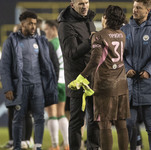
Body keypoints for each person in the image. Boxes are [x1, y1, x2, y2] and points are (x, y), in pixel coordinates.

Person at [68, 5, 130, 150]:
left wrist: (80, 77)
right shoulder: (122, 34)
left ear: (106, 18)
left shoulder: (99, 35)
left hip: (105, 85)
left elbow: (95, 61)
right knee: (121, 124)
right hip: (121, 83)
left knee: (104, 124)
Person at [0, 11, 58, 150]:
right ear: (22, 24)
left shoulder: (41, 41)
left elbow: (48, 65)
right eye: (30, 23)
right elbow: (5, 66)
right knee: (18, 118)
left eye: (35, 23)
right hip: (21, 86)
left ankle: (37, 146)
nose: (33, 26)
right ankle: (17, 146)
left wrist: (49, 86)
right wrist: (8, 87)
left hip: (37, 86)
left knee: (39, 118)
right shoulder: (12, 41)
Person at [121, 0, 151, 149]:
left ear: (147, 10)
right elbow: (120, 55)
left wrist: (148, 71)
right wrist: (127, 68)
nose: (135, 10)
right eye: (134, 7)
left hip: (149, 85)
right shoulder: (125, 30)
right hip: (130, 86)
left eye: (139, 8)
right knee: (128, 123)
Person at [57, 0, 100, 149]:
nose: (85, 6)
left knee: (95, 119)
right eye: (81, 3)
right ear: (72, 4)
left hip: (93, 77)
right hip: (77, 79)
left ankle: (93, 147)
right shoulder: (65, 25)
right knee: (77, 120)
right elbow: (71, 53)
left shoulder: (89, 19)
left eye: (87, 2)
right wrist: (90, 41)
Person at [44, 20, 69, 150]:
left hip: (52, 82)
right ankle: (67, 144)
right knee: (62, 113)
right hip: (64, 81)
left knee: (52, 114)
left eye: (46, 29)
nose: (45, 32)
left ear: (54, 29)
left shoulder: (50, 44)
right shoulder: (64, 43)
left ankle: (55, 146)